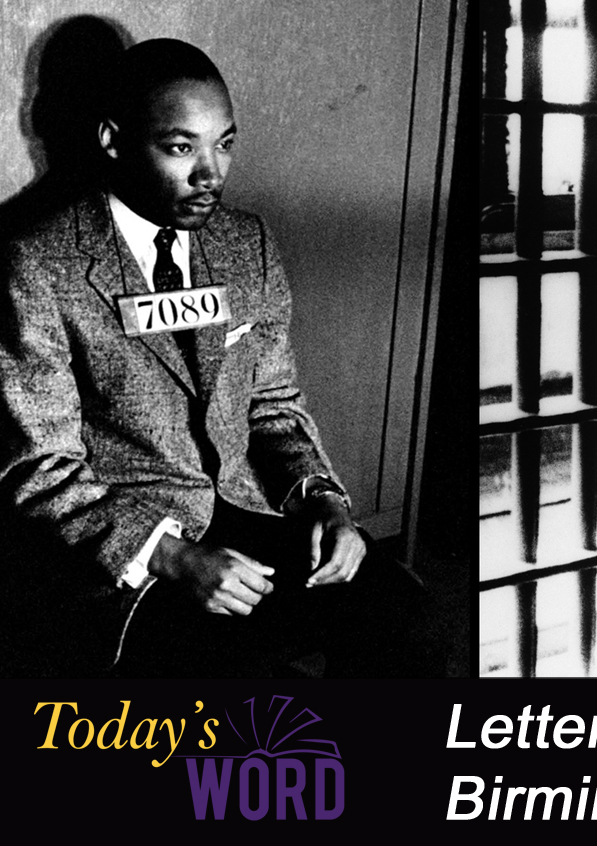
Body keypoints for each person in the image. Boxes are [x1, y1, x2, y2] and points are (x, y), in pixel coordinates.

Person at [0, 38, 432, 678]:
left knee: (401, 611)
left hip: (246, 508)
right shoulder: (38, 263)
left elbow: (275, 409)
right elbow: (39, 468)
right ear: (114, 140)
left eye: (224, 143)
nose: (212, 174)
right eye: (181, 149)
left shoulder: (246, 243)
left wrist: (325, 501)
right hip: (127, 555)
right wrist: (172, 556)